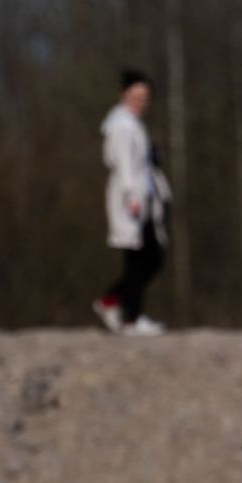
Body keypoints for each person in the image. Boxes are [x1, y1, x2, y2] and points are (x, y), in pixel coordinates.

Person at [93, 68, 172, 336]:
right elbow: (125, 164)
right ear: (123, 96)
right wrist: (132, 198)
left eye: (145, 98)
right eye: (136, 97)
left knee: (148, 257)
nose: (141, 103)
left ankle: (115, 303)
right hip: (132, 199)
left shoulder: (132, 124)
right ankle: (130, 316)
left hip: (143, 197)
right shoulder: (122, 126)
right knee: (142, 258)